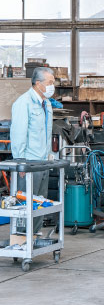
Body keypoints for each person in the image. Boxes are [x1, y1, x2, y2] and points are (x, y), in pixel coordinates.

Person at [10, 67, 55, 234]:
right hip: (29, 163)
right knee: (25, 204)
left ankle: (34, 237)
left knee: (40, 203)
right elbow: (18, 133)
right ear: (38, 83)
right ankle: (21, 240)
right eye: (50, 82)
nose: (52, 86)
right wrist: (20, 161)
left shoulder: (46, 103)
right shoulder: (24, 103)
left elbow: (46, 131)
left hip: (43, 162)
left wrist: (49, 154)